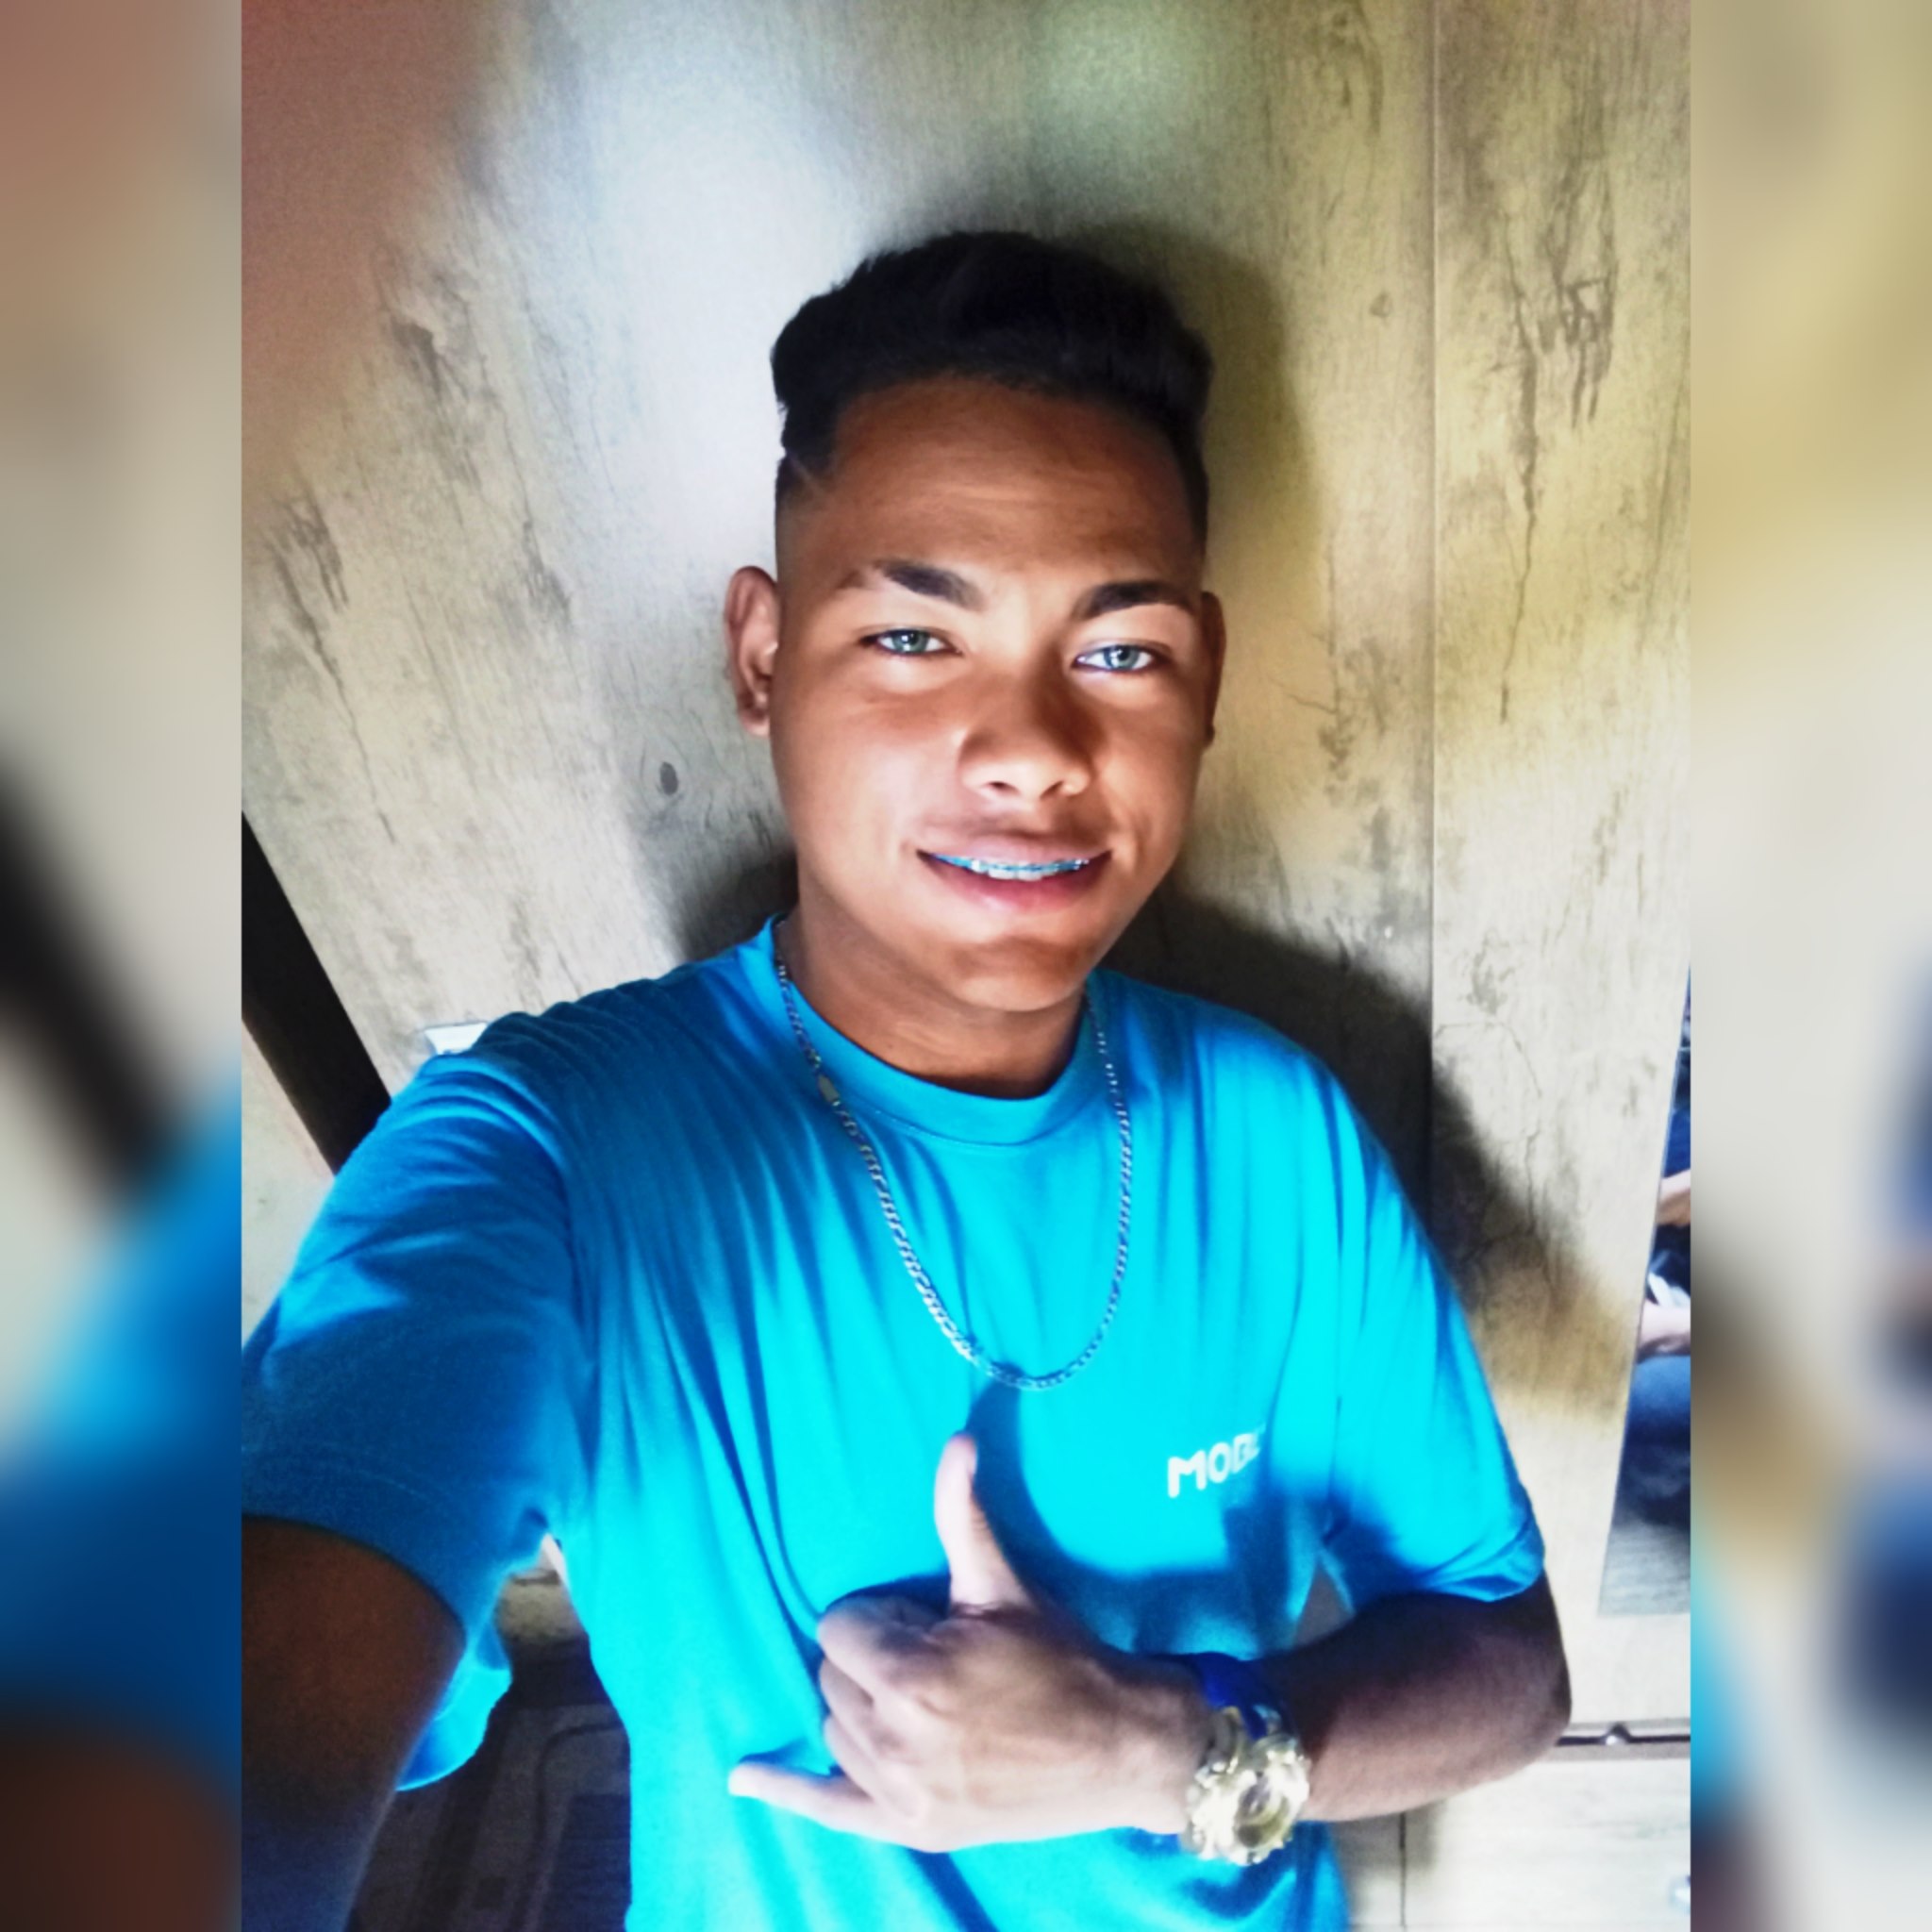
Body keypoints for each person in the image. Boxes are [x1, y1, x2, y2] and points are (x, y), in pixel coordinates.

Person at [242, 230, 1569, 1931]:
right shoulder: (545, 1159)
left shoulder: (1277, 1135)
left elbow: (1509, 1665)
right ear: (759, 658)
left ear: (1205, 684)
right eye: (914, 639)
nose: (1031, 751)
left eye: (1119, 653)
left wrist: (1164, 1744)